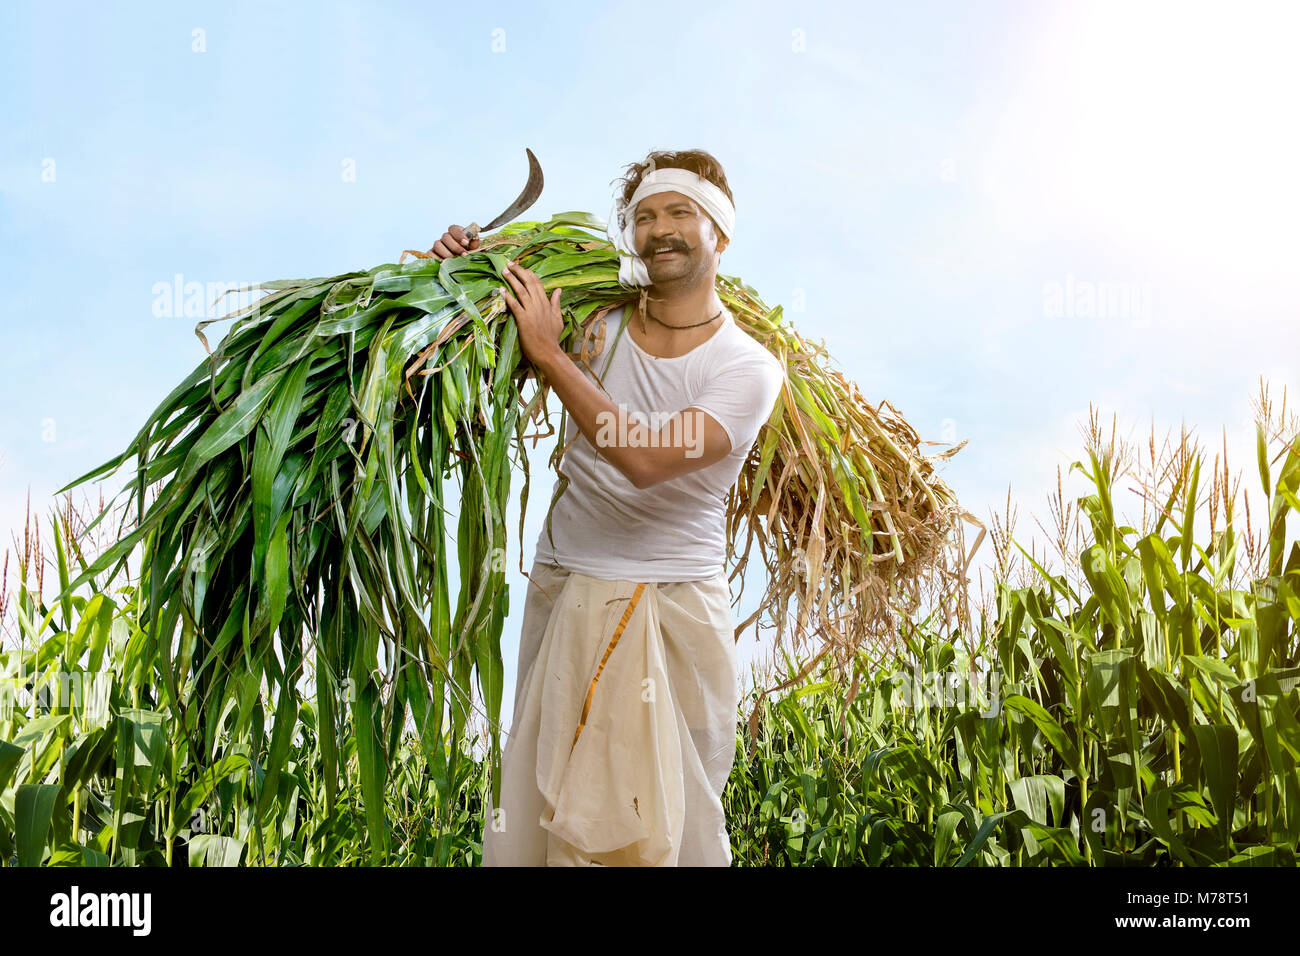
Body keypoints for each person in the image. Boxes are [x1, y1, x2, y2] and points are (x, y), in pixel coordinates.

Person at [429, 149, 784, 866]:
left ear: (720, 233)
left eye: (680, 213)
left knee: (664, 829)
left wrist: (551, 357)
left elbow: (647, 458)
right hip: (566, 590)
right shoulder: (596, 322)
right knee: (546, 815)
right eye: (644, 216)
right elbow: (479, 324)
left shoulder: (747, 368)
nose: (660, 229)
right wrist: (466, 267)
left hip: (673, 609)